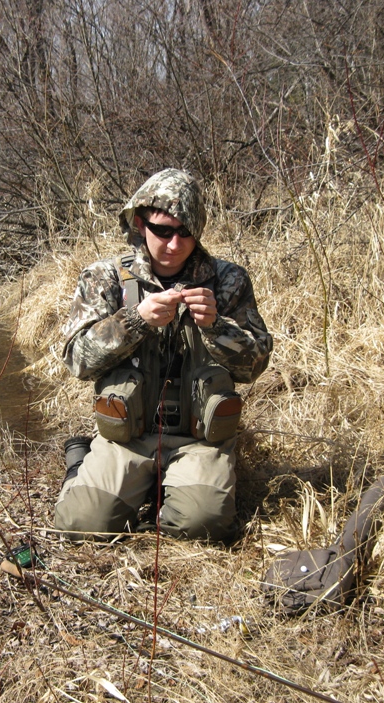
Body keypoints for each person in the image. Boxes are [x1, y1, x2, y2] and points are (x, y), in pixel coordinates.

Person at [55, 169, 273, 541]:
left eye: (185, 233)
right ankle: (81, 461)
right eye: (163, 231)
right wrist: (133, 321)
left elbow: (255, 364)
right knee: (80, 524)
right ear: (140, 224)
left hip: (200, 440)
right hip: (127, 437)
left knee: (203, 524)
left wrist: (216, 327)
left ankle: (169, 491)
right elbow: (76, 359)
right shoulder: (105, 276)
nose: (174, 244)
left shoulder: (228, 281)